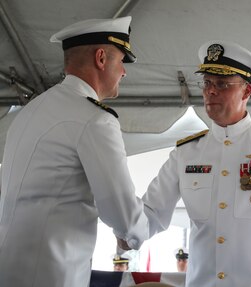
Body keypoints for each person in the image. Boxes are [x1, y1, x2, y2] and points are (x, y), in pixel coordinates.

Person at [120, 40, 251, 287]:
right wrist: (126, 232)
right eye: (206, 83)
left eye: (222, 84)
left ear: (246, 92)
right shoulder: (186, 153)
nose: (210, 91)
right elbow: (151, 211)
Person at [0, 16, 148, 287]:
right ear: (101, 58)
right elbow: (121, 209)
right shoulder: (94, 118)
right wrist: (135, 233)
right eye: (121, 61)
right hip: (53, 275)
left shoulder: (29, 112)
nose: (124, 72)